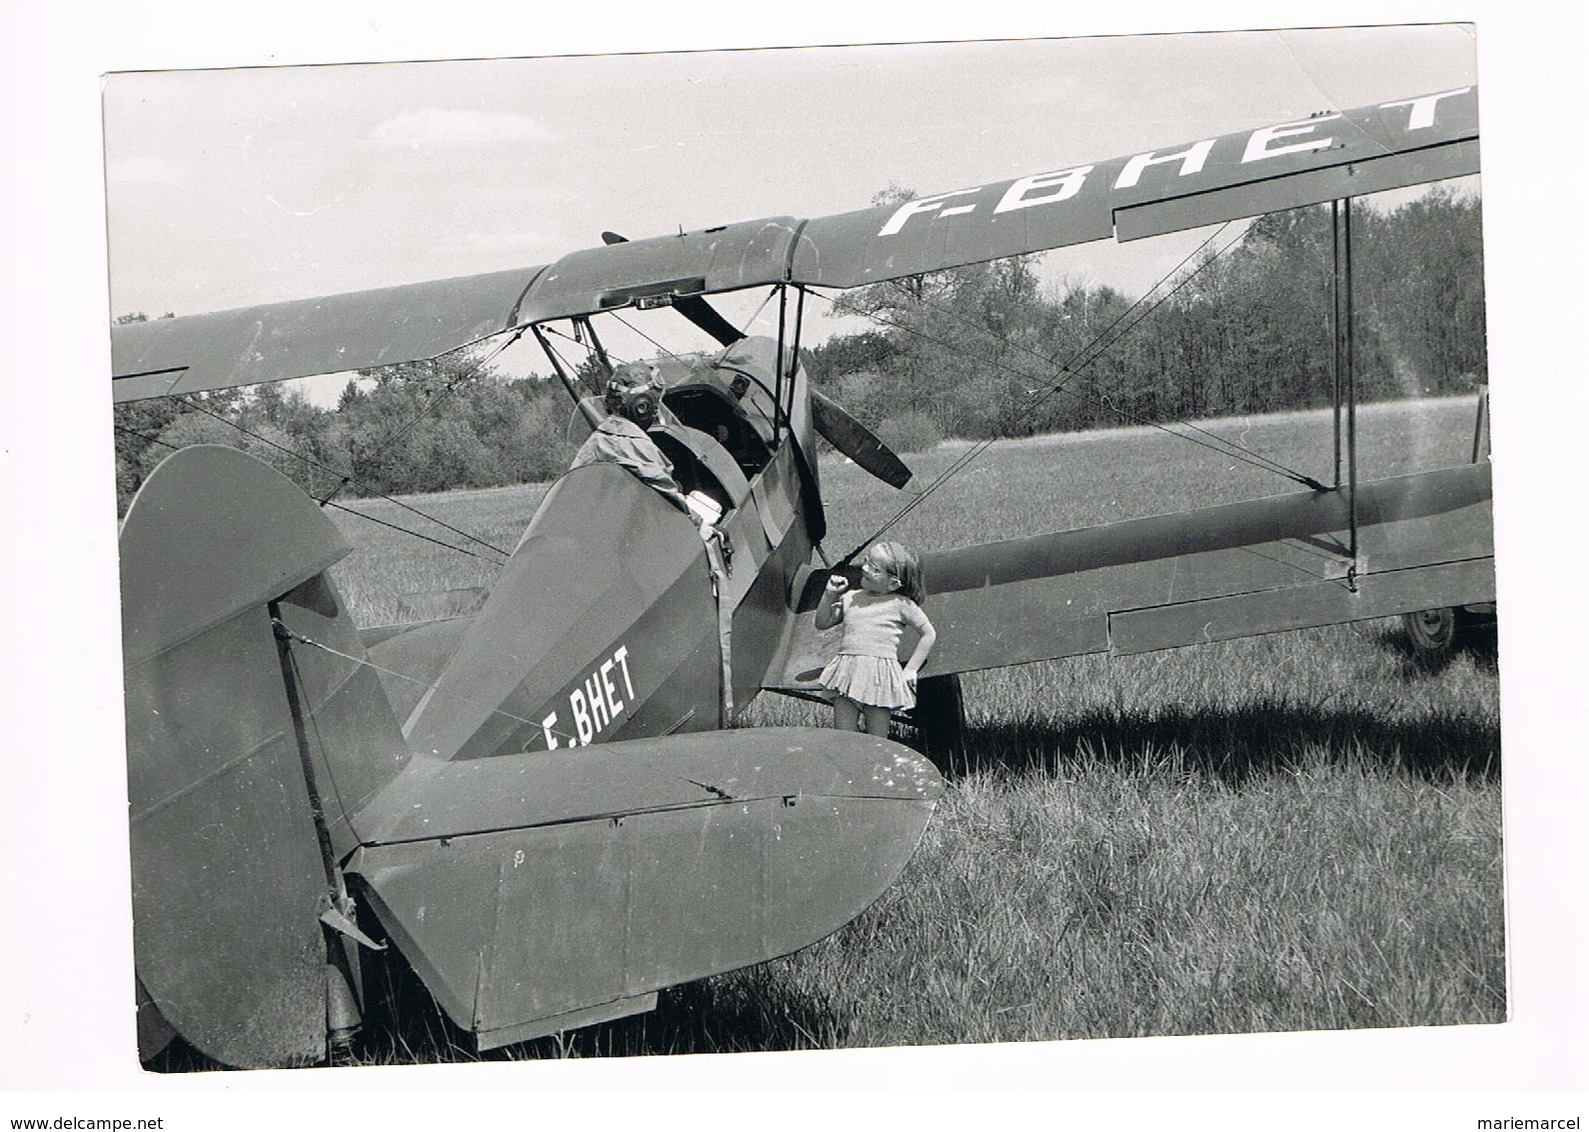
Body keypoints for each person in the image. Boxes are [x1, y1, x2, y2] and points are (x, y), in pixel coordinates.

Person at [814, 540, 937, 736]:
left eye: (874, 568)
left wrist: (911, 669)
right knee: (842, 737)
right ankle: (846, 765)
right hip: (847, 674)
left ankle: (875, 766)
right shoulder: (851, 597)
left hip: (881, 678)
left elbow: (929, 634)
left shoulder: (902, 604)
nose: (864, 568)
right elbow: (822, 622)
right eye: (866, 561)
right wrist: (829, 595)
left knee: (878, 739)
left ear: (893, 582)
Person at [569, 362, 693, 515]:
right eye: (655, 405)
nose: (656, 412)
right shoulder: (636, 445)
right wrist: (702, 526)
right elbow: (672, 503)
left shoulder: (595, 441)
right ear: (642, 406)